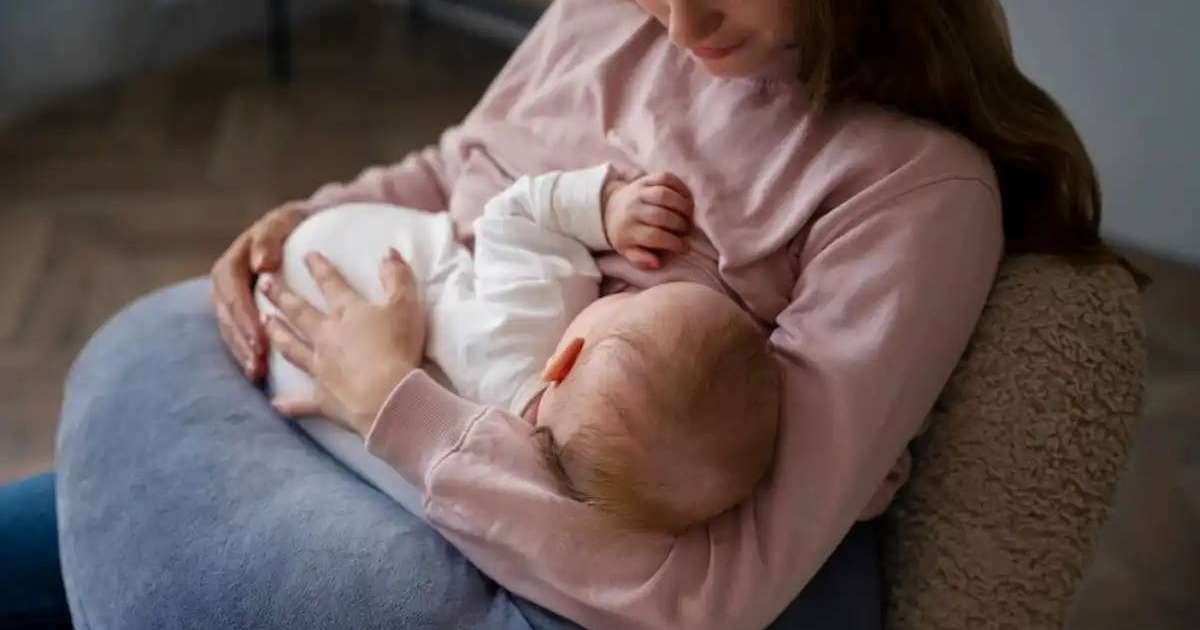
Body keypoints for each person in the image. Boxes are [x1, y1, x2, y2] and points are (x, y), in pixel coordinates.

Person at [1, 1, 1114, 628]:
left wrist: (390, 399)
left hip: (537, 522)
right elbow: (460, 167)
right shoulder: (609, 14)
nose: (679, 22)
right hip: (404, 392)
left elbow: (723, 585)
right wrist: (313, 220)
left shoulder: (910, 192)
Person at [258, 164, 779, 532]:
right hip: (316, 383)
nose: (623, 290)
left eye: (632, 300)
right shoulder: (511, 471)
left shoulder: (536, 313)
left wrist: (605, 208)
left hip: (329, 261)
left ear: (565, 358)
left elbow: (514, 213)